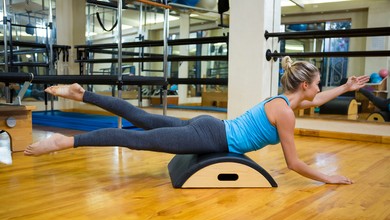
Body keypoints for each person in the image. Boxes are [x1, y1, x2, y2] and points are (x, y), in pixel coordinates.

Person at [24, 56, 369, 185]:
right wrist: (327, 177)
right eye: (319, 83)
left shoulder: (281, 102)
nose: (321, 90)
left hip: (210, 126)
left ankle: (81, 93)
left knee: (142, 120)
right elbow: (292, 163)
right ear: (305, 86)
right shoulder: (286, 115)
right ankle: (62, 142)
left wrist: (345, 86)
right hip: (213, 139)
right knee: (136, 138)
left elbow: (319, 98)